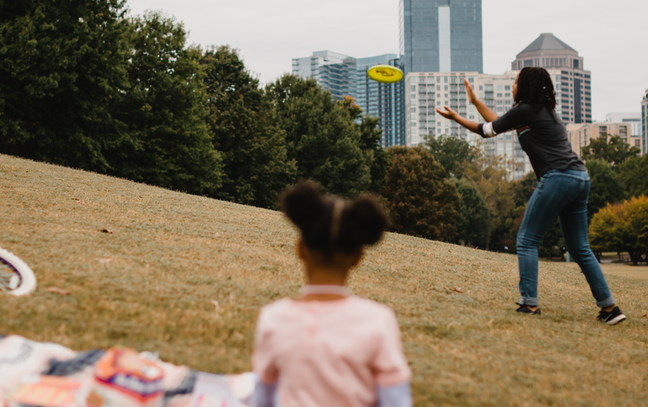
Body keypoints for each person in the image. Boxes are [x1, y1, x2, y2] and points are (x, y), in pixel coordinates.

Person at [434, 67, 626, 325]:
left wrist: (456, 118)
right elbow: (497, 125)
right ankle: (610, 309)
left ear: (524, 86)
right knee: (580, 248)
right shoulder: (543, 112)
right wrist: (475, 102)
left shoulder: (526, 110)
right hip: (580, 178)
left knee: (526, 239)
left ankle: (529, 304)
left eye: (515, 81)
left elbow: (486, 130)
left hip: (558, 177)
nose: (513, 85)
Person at [250, 182, 412, 407]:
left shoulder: (272, 318)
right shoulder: (378, 321)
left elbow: (262, 399)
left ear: (300, 249)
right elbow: (395, 400)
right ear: (358, 257)